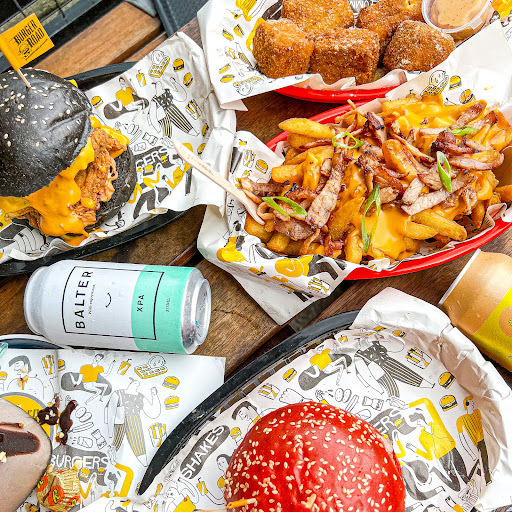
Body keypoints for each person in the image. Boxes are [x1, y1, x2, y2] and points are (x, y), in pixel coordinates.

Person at [407, 398, 469, 491]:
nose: (418, 424)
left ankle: (471, 490)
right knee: (456, 485)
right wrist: (414, 449)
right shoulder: (422, 437)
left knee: (465, 476)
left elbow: (426, 401)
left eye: (418, 421)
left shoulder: (436, 424)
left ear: (421, 418)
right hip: (441, 458)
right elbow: (429, 456)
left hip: (452, 450)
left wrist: (407, 406)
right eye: (415, 423)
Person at [104, 378, 161, 466]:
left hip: (134, 420)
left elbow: (152, 412)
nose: (136, 385)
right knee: (116, 442)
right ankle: (110, 460)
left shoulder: (140, 396)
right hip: (120, 420)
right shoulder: (118, 393)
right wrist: (110, 431)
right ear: (130, 383)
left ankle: (144, 464)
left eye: (138, 384)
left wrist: (154, 395)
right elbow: (110, 411)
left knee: (138, 442)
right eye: (135, 383)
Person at [456, 395, 491, 484]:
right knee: (477, 462)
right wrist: (471, 454)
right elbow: (461, 437)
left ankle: (487, 479)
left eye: (472, 402)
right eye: (471, 402)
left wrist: (490, 436)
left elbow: (484, 425)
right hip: (474, 444)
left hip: (482, 440)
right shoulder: (461, 419)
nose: (473, 403)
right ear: (467, 404)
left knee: (485, 460)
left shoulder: (477, 412)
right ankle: (478, 479)